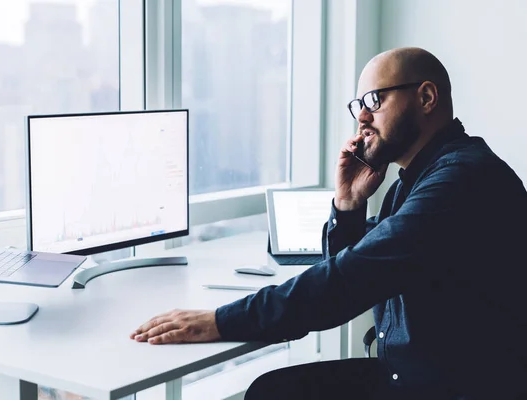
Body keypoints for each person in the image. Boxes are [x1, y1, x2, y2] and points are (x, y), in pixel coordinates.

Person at [129, 47, 527, 399]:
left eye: (375, 99)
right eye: (358, 106)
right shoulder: (411, 182)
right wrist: (349, 203)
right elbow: (357, 269)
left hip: (452, 387)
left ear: (426, 97)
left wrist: (217, 321)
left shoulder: (462, 180)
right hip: (412, 377)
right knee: (272, 390)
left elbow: (348, 280)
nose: (363, 118)